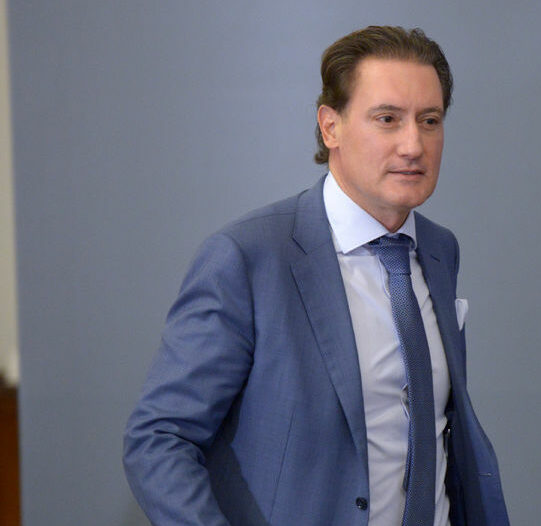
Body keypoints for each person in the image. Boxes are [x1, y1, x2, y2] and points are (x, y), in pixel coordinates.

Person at [123, 26, 509, 526]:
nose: (413, 144)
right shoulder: (249, 257)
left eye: (429, 120)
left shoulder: (439, 251)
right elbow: (158, 439)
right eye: (387, 119)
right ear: (331, 127)